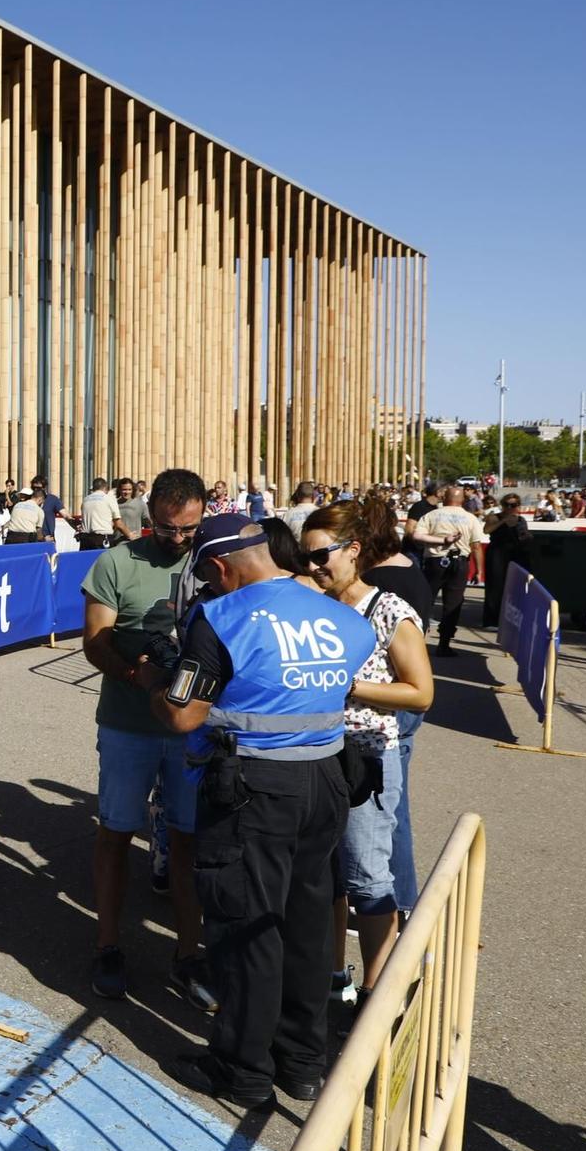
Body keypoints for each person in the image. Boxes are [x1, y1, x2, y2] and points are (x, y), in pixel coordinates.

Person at [150, 514, 370, 1108]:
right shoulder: (343, 616)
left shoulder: (221, 618)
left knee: (246, 927)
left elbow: (182, 715)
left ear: (220, 567)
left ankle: (241, 1070)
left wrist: (155, 674)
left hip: (251, 787)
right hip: (325, 779)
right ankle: (301, 1062)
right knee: (305, 926)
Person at [78, 468, 213, 1006]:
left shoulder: (213, 559)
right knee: (115, 832)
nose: (179, 539)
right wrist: (139, 675)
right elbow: (94, 643)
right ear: (148, 514)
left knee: (186, 841)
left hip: (191, 732)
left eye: (189, 529)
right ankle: (109, 945)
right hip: (128, 725)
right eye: (167, 528)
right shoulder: (115, 562)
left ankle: (188, 953)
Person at [301, 500, 434, 1003]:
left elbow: (419, 692)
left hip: (367, 759)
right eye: (306, 557)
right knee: (325, 877)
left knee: (368, 877)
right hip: (315, 755)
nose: (313, 567)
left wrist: (351, 685)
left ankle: (380, 998)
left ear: (353, 551)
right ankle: (334, 976)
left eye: (321, 556)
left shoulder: (389, 610)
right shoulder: (314, 606)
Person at [408, 484, 483, 656]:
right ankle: (444, 643)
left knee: (426, 600)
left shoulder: (432, 515)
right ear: (462, 500)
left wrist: (440, 541)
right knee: (453, 604)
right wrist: (478, 570)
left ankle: (418, 641)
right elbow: (477, 546)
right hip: (459, 563)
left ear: (444, 498)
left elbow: (417, 536)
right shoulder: (470, 518)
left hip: (435, 561)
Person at [480, 493, 535, 627]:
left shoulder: (521, 520)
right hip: (498, 553)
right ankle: (492, 619)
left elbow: (524, 537)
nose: (510, 508)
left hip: (516, 554)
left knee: (516, 586)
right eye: (507, 505)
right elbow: (487, 530)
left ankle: (512, 617)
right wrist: (503, 521)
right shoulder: (494, 517)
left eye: (513, 505)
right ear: (502, 505)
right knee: (495, 586)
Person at [78, 478, 119, 551]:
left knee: (86, 561)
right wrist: (129, 534)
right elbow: (118, 521)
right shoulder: (109, 499)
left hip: (85, 539)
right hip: (102, 538)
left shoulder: (85, 500)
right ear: (105, 488)